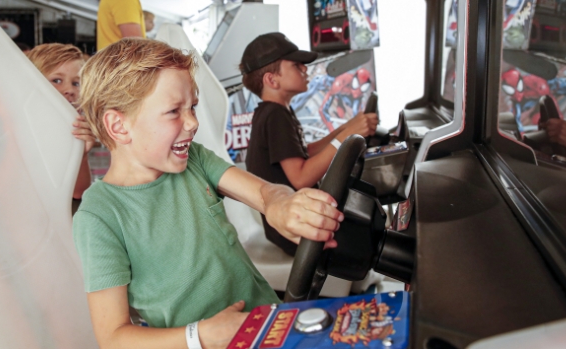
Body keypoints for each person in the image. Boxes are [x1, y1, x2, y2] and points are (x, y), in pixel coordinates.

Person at [73, 38, 343, 348]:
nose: (193, 122)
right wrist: (199, 336)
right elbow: (113, 337)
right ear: (119, 126)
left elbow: (265, 193)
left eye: (193, 107)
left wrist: (281, 205)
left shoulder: (195, 160)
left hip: (270, 324)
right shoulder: (100, 216)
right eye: (174, 111)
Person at [240, 32, 378, 256]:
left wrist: (347, 128)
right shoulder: (275, 116)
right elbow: (301, 177)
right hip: (297, 229)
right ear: (271, 80)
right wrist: (345, 138)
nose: (305, 70)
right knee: (370, 232)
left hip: (295, 222)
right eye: (296, 66)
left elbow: (305, 152)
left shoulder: (274, 111)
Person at [27, 43, 95, 199]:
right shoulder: (15, 128)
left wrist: (81, 155)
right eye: (57, 80)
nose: (69, 90)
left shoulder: (71, 132)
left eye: (76, 83)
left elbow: (78, 193)